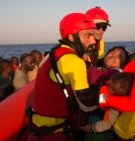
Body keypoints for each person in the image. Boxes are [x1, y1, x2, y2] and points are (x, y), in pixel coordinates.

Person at [28, 13, 99, 141]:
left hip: (39, 128)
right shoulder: (75, 62)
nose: (93, 40)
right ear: (72, 37)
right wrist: (111, 94)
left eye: (93, 35)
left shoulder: (54, 52)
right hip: (57, 133)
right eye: (87, 35)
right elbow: (87, 104)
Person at [81, 72, 134, 140]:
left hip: (105, 129)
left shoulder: (116, 107)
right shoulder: (114, 87)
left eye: (111, 89)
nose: (108, 88)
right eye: (109, 84)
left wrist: (92, 128)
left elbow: (108, 123)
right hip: (100, 108)